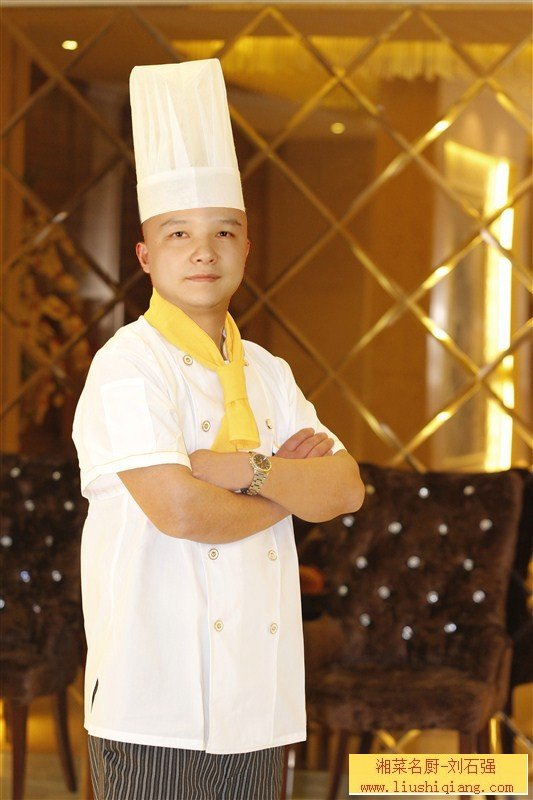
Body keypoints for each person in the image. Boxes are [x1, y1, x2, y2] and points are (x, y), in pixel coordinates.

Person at [73, 59, 365, 800]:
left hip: (257, 698)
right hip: (153, 697)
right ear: (146, 256)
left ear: (245, 248)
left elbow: (344, 489)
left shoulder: (268, 370)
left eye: (223, 232)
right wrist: (286, 492)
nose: (203, 251)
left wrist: (244, 470)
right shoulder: (127, 365)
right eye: (178, 234)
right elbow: (179, 510)